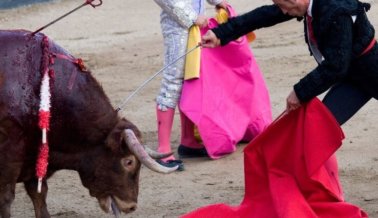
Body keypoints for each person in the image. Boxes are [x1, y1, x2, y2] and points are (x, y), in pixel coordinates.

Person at [201, 0, 377, 127]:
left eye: (284, 7)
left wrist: (299, 92)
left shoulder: (336, 9)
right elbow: (263, 15)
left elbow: (336, 65)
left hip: (370, 71)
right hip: (352, 79)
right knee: (319, 129)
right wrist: (221, 33)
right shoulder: (305, 4)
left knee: (320, 128)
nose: (284, 12)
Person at [153, 0, 227, 171]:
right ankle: (163, 149)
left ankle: (188, 140)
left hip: (194, 23)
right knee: (173, 81)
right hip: (177, 25)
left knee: (191, 80)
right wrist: (192, 16)